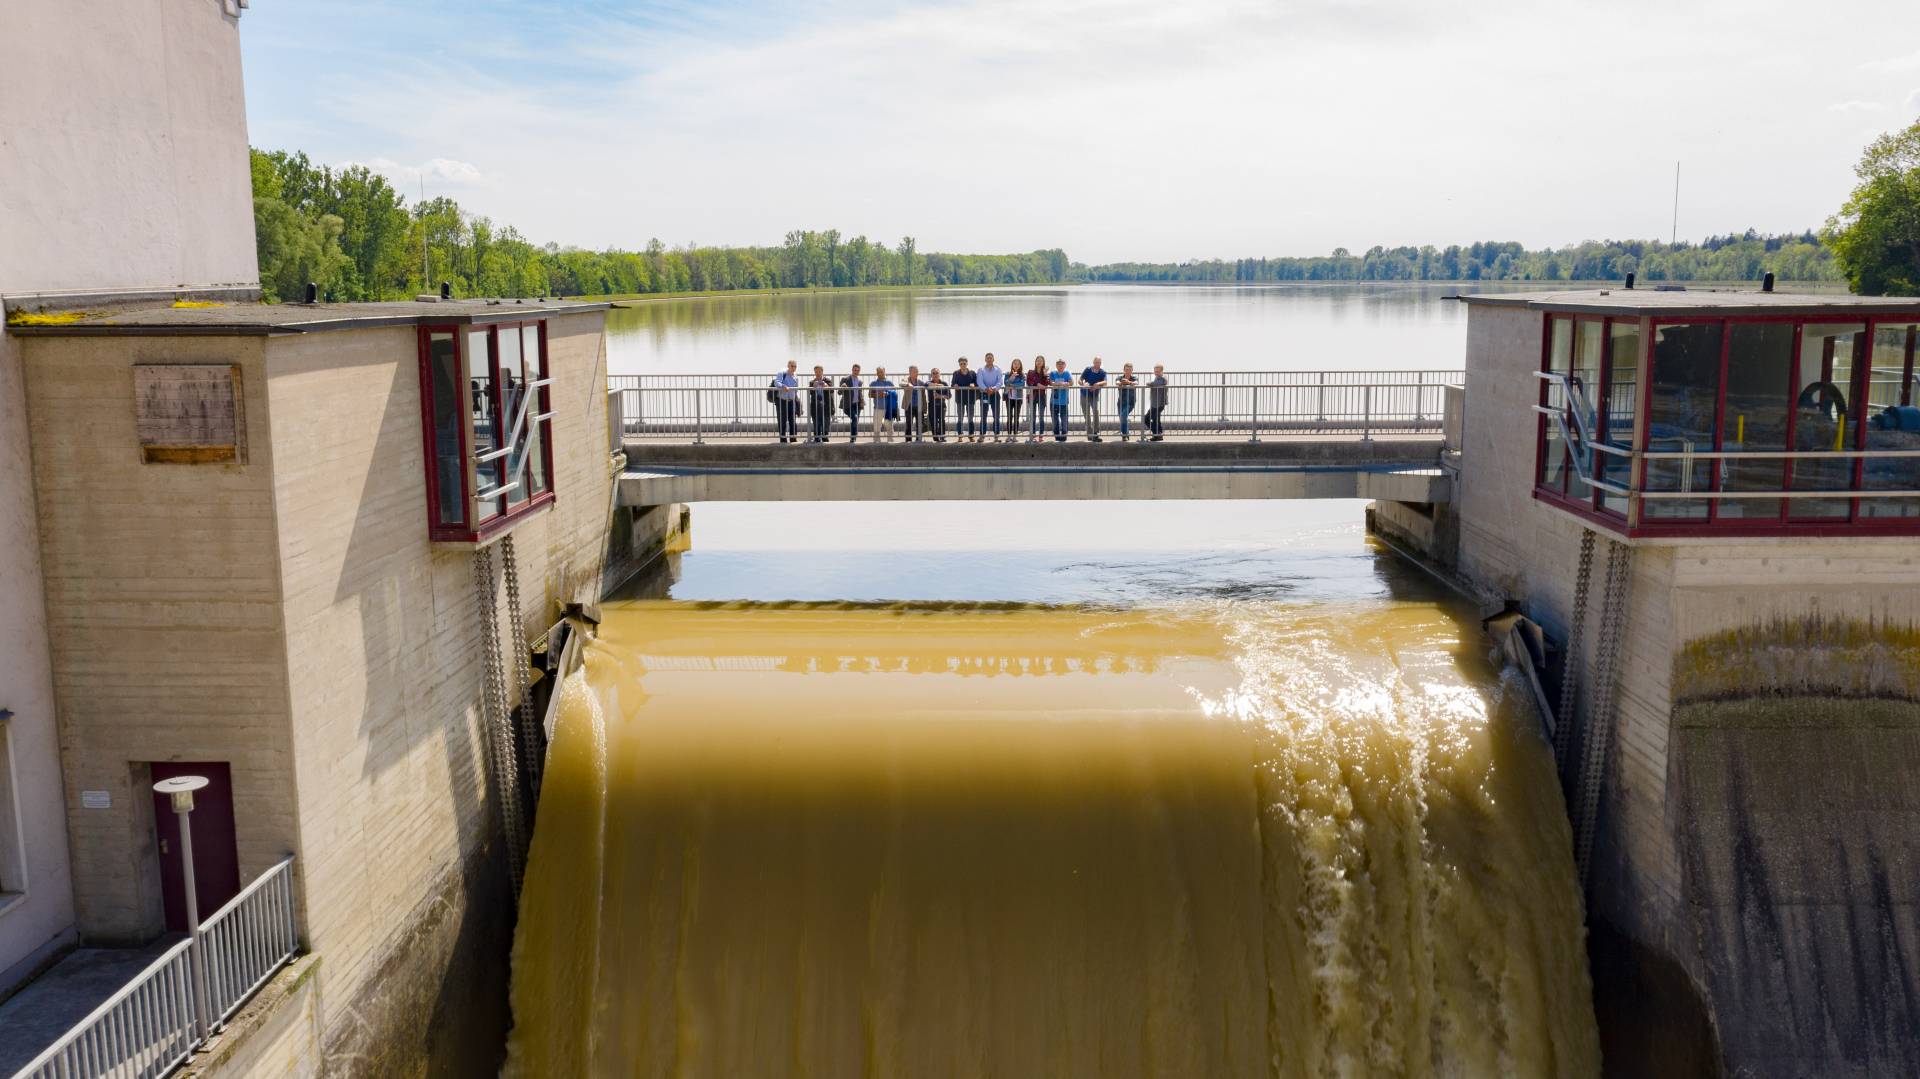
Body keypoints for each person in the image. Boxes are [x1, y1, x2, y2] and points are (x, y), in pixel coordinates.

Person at [1079, 356, 1109, 442]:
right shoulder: (1088, 369)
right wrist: (1083, 384)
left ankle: (1095, 433)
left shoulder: (1102, 372)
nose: (1097, 364)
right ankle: (1089, 434)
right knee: (1087, 415)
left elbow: (1105, 381)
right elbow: (1080, 379)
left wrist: (1097, 384)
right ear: (1093, 362)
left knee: (1096, 411)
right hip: (1084, 394)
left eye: (1099, 362)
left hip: (1094, 395)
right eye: (1096, 362)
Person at [951, 357, 979, 441]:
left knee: (970, 417)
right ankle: (960, 435)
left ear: (967, 363)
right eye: (961, 364)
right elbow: (952, 384)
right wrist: (955, 385)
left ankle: (971, 435)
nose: (963, 365)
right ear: (959, 364)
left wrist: (973, 385)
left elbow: (977, 384)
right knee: (960, 417)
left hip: (970, 398)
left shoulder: (972, 373)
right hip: (960, 399)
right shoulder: (956, 373)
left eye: (964, 363)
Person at [978, 353, 1004, 442]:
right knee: (983, 415)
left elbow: (1000, 382)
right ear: (985, 360)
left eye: (990, 358)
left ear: (993, 359)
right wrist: (986, 389)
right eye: (987, 358)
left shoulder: (998, 369)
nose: (989, 360)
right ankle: (982, 435)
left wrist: (993, 388)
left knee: (996, 415)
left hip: (995, 394)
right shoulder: (981, 370)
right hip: (984, 394)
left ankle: (996, 435)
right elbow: (979, 381)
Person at [773, 360, 801, 443]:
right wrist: (783, 386)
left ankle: (793, 438)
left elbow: (796, 389)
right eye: (792, 366)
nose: (793, 368)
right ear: (788, 366)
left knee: (793, 420)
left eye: (795, 366)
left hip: (791, 401)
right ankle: (783, 438)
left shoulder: (795, 376)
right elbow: (776, 382)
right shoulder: (782, 373)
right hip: (782, 400)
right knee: (782, 420)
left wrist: (797, 400)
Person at [869, 367, 900, 442]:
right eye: (879, 372)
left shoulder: (890, 383)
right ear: (876, 373)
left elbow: (895, 395)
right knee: (876, 428)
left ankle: (891, 443)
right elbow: (870, 395)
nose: (880, 373)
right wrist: (879, 394)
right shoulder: (873, 383)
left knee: (889, 428)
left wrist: (887, 393)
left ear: (884, 372)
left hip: (888, 409)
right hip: (877, 408)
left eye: (881, 372)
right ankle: (876, 444)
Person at [807, 364, 834, 443]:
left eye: (819, 371)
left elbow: (832, 390)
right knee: (816, 420)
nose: (818, 373)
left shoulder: (827, 380)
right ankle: (817, 436)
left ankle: (825, 435)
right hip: (816, 405)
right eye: (816, 372)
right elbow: (810, 393)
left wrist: (826, 386)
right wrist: (813, 388)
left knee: (826, 420)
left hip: (826, 404)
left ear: (822, 372)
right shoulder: (812, 382)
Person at [838, 364, 865, 443]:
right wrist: (842, 387)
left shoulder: (860, 381)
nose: (856, 372)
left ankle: (854, 437)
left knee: (855, 420)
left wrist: (862, 402)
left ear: (859, 371)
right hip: (848, 404)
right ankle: (853, 437)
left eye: (857, 370)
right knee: (855, 418)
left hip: (857, 404)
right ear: (852, 370)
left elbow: (859, 393)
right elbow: (839, 393)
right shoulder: (845, 379)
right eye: (855, 370)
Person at [1026, 355, 1050, 441]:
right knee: (1032, 416)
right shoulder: (1031, 372)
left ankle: (1041, 434)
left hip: (1042, 396)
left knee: (1041, 416)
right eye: (1037, 360)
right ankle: (1032, 433)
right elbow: (1029, 382)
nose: (1039, 362)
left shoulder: (1045, 373)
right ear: (1035, 362)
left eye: (1041, 361)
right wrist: (1037, 385)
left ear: (1043, 362)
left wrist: (1045, 374)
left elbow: (1047, 383)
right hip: (1033, 396)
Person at [1049, 359, 1073, 442]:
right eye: (1058, 364)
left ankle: (1064, 437)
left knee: (1064, 420)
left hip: (1064, 401)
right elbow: (1050, 382)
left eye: (1062, 364)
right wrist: (1061, 384)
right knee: (1055, 421)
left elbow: (1071, 382)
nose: (1060, 365)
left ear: (1065, 365)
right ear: (1056, 365)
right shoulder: (1053, 373)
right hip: (1054, 401)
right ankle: (1056, 436)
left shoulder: (1067, 373)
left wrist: (1065, 383)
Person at [1115, 362, 1140, 442]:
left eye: (1129, 370)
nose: (1128, 371)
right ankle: (1126, 434)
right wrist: (1122, 382)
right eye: (1126, 370)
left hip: (1130, 402)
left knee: (1123, 417)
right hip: (1121, 402)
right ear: (1124, 370)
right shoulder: (1120, 377)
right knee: (1122, 419)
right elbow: (1117, 382)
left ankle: (1124, 435)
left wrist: (1128, 382)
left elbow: (1136, 383)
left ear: (1132, 370)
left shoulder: (1134, 377)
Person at [903, 365, 928, 442]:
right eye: (914, 371)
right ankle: (908, 439)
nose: (916, 373)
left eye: (917, 371)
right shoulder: (906, 379)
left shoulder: (920, 382)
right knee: (909, 423)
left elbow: (924, 394)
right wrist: (908, 384)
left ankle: (918, 438)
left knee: (919, 423)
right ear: (910, 372)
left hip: (919, 406)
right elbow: (902, 383)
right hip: (909, 405)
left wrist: (925, 407)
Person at [1004, 359, 1026, 443]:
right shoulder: (1007, 374)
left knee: (1016, 417)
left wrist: (1012, 385)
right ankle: (1009, 435)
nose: (1016, 365)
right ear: (1012, 365)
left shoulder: (1022, 375)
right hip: (1009, 397)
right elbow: (1006, 383)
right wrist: (1012, 377)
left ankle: (1015, 436)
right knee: (1009, 417)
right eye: (1014, 363)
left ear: (1020, 365)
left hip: (1018, 398)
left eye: (1018, 364)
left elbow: (1022, 384)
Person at [1145, 364, 1168, 441]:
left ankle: (1157, 434)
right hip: (1154, 403)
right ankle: (1157, 433)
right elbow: (1155, 383)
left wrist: (1149, 383)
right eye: (1155, 371)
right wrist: (1151, 383)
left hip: (1159, 404)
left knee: (1155, 419)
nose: (1156, 373)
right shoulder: (1157, 378)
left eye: (1158, 371)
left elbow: (1157, 383)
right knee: (1147, 418)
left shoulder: (1162, 378)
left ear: (1162, 371)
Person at [927, 367, 950, 442]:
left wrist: (939, 396)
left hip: (941, 405)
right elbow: (926, 384)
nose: (935, 375)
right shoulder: (928, 383)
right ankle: (936, 436)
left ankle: (942, 436)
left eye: (937, 373)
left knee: (941, 421)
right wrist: (935, 385)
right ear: (931, 375)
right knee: (933, 421)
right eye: (933, 373)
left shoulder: (945, 383)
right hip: (931, 406)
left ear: (939, 374)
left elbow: (949, 396)